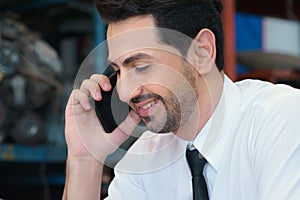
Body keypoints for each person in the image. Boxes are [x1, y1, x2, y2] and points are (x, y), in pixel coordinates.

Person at [62, 0, 300, 199]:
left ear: (202, 52)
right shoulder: (144, 159)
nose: (124, 93)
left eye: (141, 66)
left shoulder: (280, 119)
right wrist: (85, 159)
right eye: (118, 71)